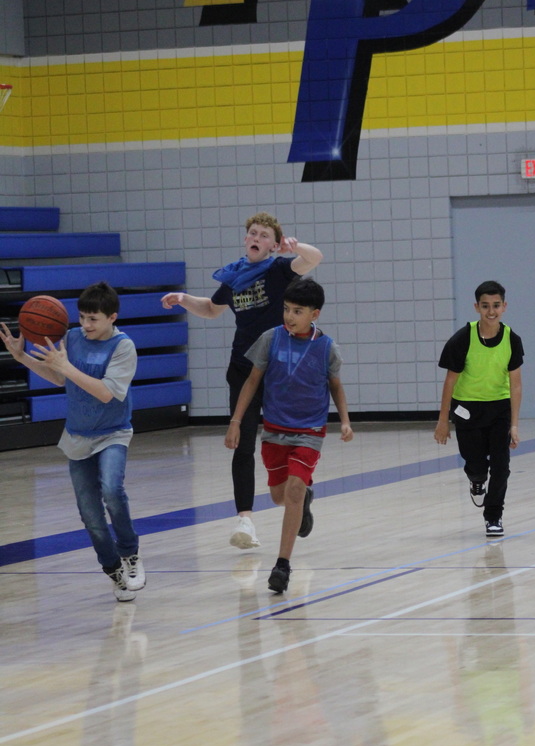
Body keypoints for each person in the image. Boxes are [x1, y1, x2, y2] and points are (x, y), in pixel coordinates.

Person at [161, 212, 323, 551]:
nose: (256, 238)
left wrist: (295, 247)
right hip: (243, 368)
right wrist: (183, 299)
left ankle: (301, 491)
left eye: (264, 235)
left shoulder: (279, 270)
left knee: (285, 441)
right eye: (253, 233)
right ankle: (245, 520)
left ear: (273, 245)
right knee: (242, 443)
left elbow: (314, 258)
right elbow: (211, 308)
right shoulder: (235, 277)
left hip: (278, 372)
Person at [0, 281, 145, 602]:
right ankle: (113, 570)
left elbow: (106, 393)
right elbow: (57, 376)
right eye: (81, 317)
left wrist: (66, 366)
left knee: (112, 490)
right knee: (90, 517)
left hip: (113, 432)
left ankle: (130, 553)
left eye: (93, 319)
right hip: (78, 435)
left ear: (112, 317)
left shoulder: (123, 347)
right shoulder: (73, 338)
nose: (85, 324)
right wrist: (21, 356)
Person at [225, 278, 353, 594]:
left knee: (294, 489)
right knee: (279, 496)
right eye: (286, 309)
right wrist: (236, 421)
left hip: (310, 431)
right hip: (275, 430)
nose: (289, 316)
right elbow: (252, 381)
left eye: (298, 311)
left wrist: (345, 421)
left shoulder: (327, 348)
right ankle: (304, 499)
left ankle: (282, 564)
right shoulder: (271, 339)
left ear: (314, 314)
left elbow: (336, 387)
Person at [434, 280, 524, 538]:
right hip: (467, 408)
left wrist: (514, 425)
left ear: (504, 306)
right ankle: (476, 479)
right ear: (477, 307)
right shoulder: (463, 339)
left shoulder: (512, 339)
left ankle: (493, 517)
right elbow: (450, 381)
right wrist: (442, 420)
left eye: (496, 305)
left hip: (499, 409)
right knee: (475, 463)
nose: (491, 311)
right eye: (485, 306)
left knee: (501, 466)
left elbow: (516, 385)